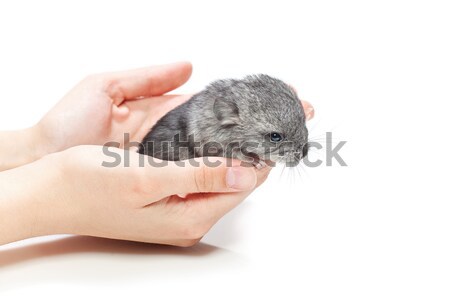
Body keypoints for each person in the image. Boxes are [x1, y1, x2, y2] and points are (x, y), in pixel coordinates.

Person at [0, 62, 314, 247]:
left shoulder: (238, 109)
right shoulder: (216, 120)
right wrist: (57, 194)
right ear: (228, 116)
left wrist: (38, 146)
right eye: (275, 137)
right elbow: (209, 144)